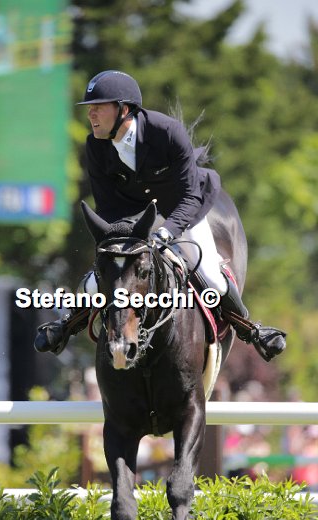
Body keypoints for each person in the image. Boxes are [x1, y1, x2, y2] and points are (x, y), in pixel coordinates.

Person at [34, 70, 286, 361]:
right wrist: (121, 239)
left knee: (211, 279)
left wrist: (167, 232)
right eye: (90, 108)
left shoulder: (166, 132)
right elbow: (108, 206)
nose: (91, 114)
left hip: (183, 208)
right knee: (97, 280)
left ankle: (251, 329)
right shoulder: (95, 145)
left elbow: (190, 196)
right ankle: (68, 323)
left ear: (124, 109)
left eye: (98, 107)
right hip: (136, 215)